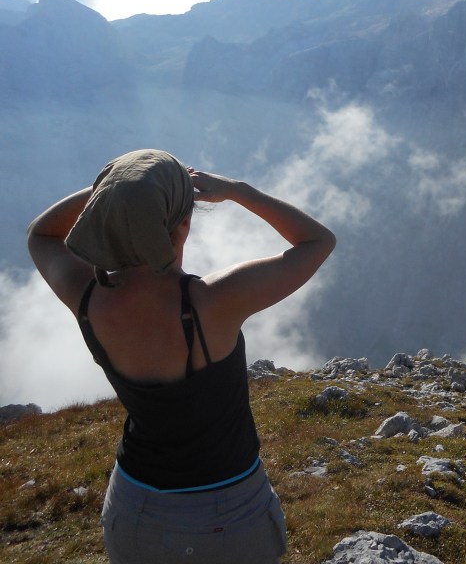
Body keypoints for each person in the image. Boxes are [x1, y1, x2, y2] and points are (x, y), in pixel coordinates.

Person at [26, 148, 336, 564]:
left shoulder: (85, 298)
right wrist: (239, 191)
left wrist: (118, 191)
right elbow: (318, 241)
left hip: (133, 508)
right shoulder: (213, 302)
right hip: (231, 515)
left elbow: (41, 234)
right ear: (184, 225)